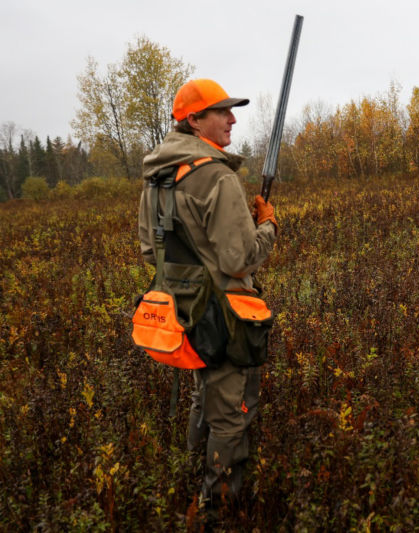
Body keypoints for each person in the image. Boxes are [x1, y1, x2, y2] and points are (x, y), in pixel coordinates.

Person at [137, 78, 278, 510]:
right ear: (195, 120)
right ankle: (218, 508)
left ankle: (186, 478)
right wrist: (268, 226)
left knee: (204, 396)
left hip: (181, 313)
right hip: (225, 318)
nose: (232, 119)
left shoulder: (157, 178)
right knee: (230, 416)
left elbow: (150, 251)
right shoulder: (216, 176)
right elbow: (240, 259)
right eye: (222, 112)